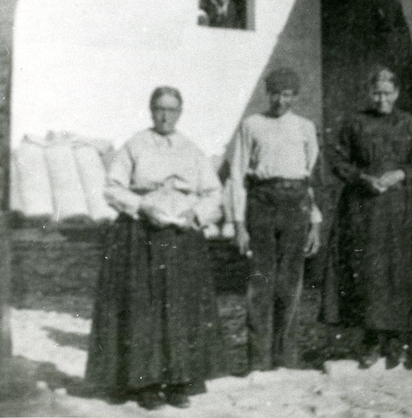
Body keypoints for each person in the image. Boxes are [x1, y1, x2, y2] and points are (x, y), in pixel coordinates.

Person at [85, 86, 225, 410]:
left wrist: (196, 214)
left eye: (172, 110)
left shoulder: (191, 149)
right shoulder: (135, 145)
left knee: (180, 308)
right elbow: (112, 188)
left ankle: (178, 381)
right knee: (143, 308)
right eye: (160, 109)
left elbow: (213, 192)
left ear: (180, 112)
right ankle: (145, 382)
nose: (165, 115)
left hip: (181, 237)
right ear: (151, 110)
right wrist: (142, 207)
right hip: (141, 234)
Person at [321, 67, 412, 369]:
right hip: (365, 211)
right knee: (370, 273)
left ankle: (396, 339)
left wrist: (401, 172)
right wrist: (362, 178)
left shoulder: (409, 124)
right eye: (376, 92)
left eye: (387, 93)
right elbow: (336, 159)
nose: (381, 98)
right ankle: (372, 340)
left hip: (401, 211)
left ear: (396, 94)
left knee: (398, 273)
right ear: (368, 93)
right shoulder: (354, 123)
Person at [229, 68, 323, 372]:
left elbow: (312, 179)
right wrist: (239, 225)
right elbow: (236, 175)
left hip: (296, 205)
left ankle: (287, 359)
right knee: (261, 281)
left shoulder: (305, 127)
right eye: (276, 94)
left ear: (295, 96)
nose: (281, 101)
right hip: (262, 203)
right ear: (266, 94)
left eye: (288, 95)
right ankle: (259, 361)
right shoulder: (251, 125)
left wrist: (316, 223)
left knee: (290, 283)